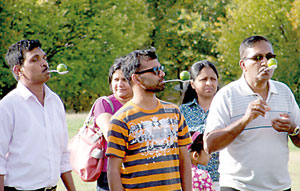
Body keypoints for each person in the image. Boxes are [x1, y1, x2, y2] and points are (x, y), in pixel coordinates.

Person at [204, 35, 300, 191]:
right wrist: (245, 120)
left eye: (269, 57)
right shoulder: (227, 95)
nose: (265, 62)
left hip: (280, 187)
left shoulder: (284, 92)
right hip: (238, 187)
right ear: (243, 65)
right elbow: (210, 145)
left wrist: (293, 129)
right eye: (257, 58)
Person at [106, 47, 193, 191]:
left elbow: (184, 160)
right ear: (136, 78)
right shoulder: (121, 120)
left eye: (161, 68)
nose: (162, 74)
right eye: (155, 70)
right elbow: (113, 170)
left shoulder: (174, 112)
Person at [0, 40, 76, 191]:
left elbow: (62, 154)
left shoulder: (55, 102)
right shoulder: (7, 106)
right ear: (18, 70)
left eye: (44, 58)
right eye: (35, 59)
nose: (44, 64)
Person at [93, 57, 133, 191]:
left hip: (138, 171)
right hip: (109, 174)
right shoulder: (104, 104)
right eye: (116, 80)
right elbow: (112, 135)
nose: (120, 84)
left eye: (124, 80)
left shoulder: (140, 104)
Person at [179, 60, 220, 190]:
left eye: (213, 79)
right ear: (193, 84)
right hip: (191, 181)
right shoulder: (181, 112)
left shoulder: (225, 109)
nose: (209, 83)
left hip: (220, 179)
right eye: (203, 79)